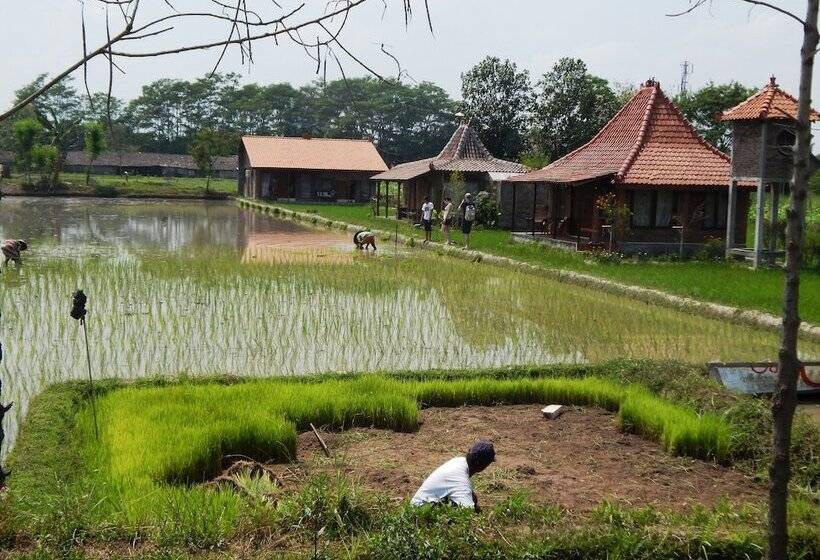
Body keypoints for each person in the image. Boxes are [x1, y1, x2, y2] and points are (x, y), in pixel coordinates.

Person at [411, 440, 495, 512]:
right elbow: (468, 511)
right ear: (482, 466)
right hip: (420, 511)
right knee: (459, 512)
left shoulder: (459, 462)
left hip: (419, 505)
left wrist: (474, 501)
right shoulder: (460, 480)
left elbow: (471, 496)